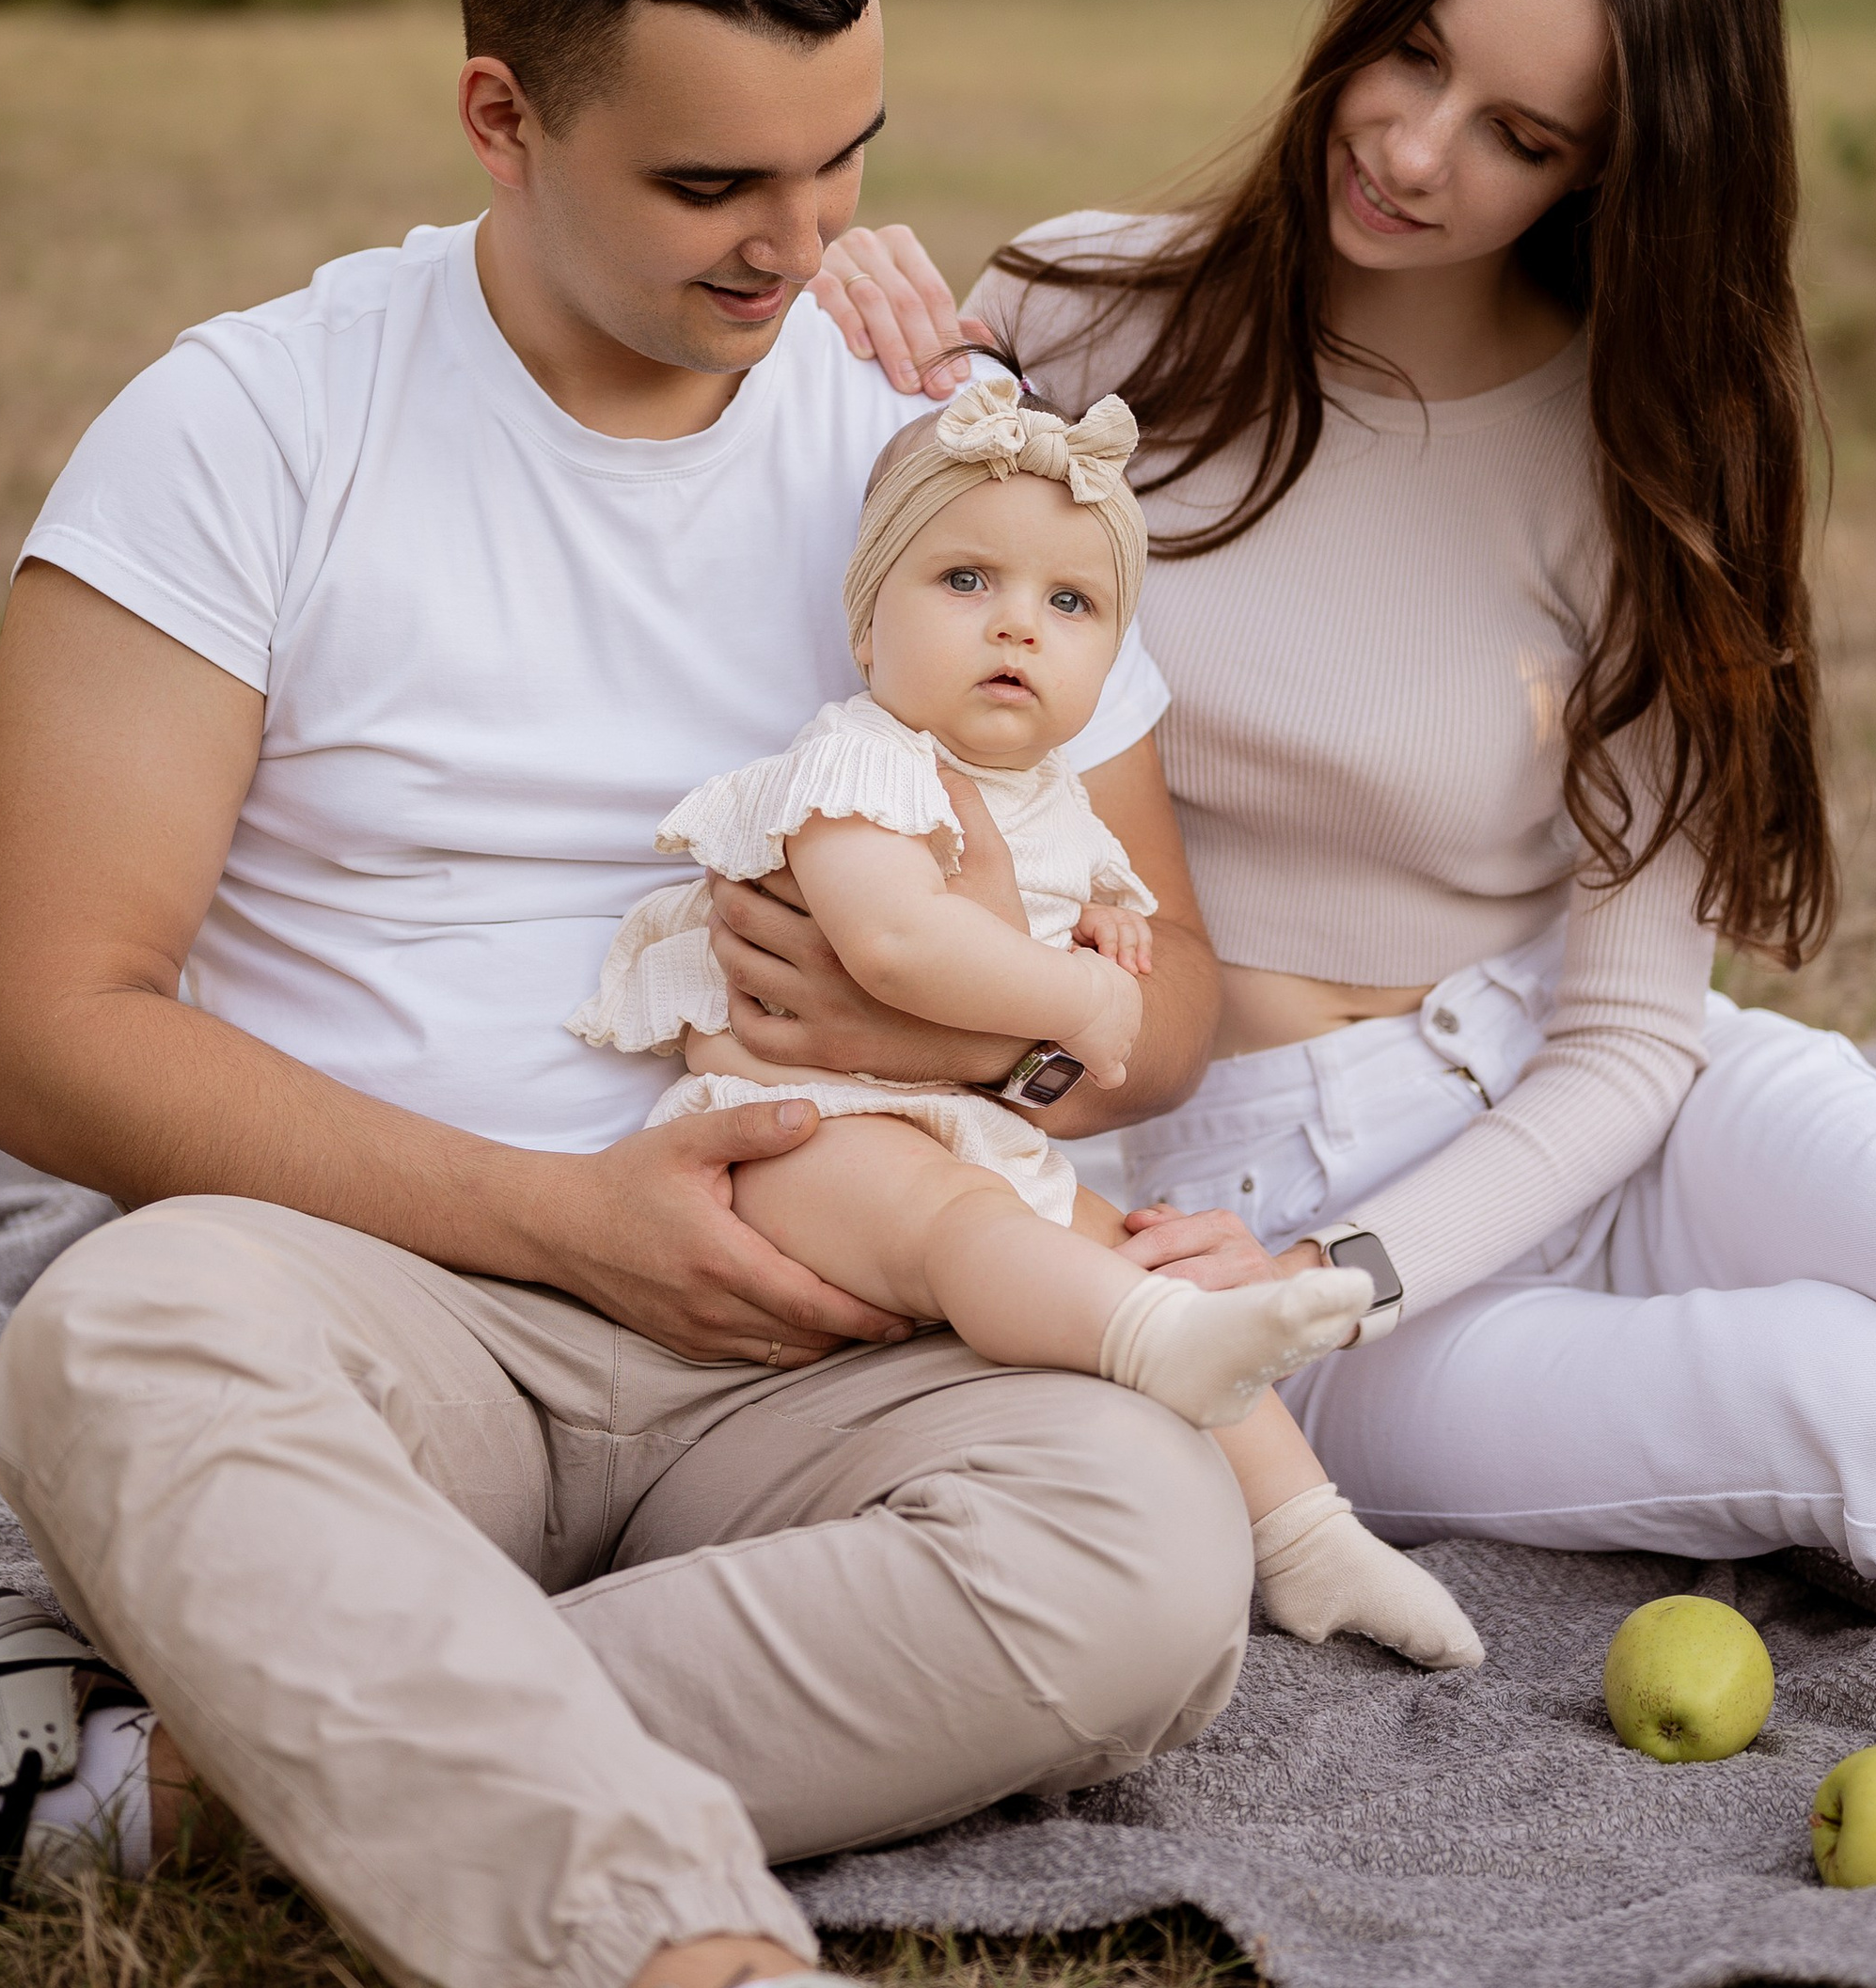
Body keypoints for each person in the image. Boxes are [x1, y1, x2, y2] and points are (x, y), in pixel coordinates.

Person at [0, 0, 1264, 1988]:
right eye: (709, 189)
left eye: (842, 157)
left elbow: (1165, 988)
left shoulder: (920, 434)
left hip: (845, 1302)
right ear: (501, 118)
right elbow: (56, 1025)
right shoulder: (247, 426)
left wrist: (995, 1051)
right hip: (404, 1284)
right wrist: (559, 1217)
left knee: (1146, 1562)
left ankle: (170, 1761)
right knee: (123, 1337)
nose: (794, 246)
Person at [809, 0, 1876, 1692]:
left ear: (1614, 169)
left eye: (1519, 133)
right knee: (1832, 1397)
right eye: (1406, 54)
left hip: (1575, 1101)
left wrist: (1389, 1248)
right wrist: (810, 339)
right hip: (1243, 1221)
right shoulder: (1078, 315)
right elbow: (825, 624)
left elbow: (1633, 1032)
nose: (1408, 149)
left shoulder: (1640, 451)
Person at [569, 361, 1479, 1664]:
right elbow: (892, 938)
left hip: (949, 1129)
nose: (1017, 628)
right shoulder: (857, 761)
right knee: (963, 1227)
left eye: (1069, 603)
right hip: (798, 1136)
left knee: (1130, 1243)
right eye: (965, 583)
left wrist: (1106, 932)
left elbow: (1120, 925)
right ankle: (1149, 1350)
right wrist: (1079, 991)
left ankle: (1309, 1536)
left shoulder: (1050, 797)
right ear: (869, 625)